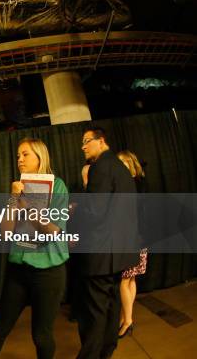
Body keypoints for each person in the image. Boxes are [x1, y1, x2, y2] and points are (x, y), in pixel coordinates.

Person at [0, 138, 69, 359]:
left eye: (25, 154)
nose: (19, 159)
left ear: (40, 157)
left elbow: (52, 231)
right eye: (18, 155)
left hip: (48, 272)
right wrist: (13, 198)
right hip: (19, 270)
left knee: (41, 335)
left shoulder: (57, 186)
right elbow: (6, 231)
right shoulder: (17, 187)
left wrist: (27, 206)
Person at [74, 127, 139, 359]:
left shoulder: (100, 167)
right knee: (110, 309)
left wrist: (73, 210)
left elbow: (94, 211)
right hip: (119, 253)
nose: (83, 146)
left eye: (86, 141)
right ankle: (106, 352)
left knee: (95, 315)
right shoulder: (121, 167)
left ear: (101, 141)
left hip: (101, 255)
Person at [117, 150, 148, 338]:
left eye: (124, 163)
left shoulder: (131, 185)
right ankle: (125, 317)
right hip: (140, 237)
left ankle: (127, 321)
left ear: (131, 164)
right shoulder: (138, 184)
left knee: (124, 280)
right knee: (131, 279)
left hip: (132, 239)